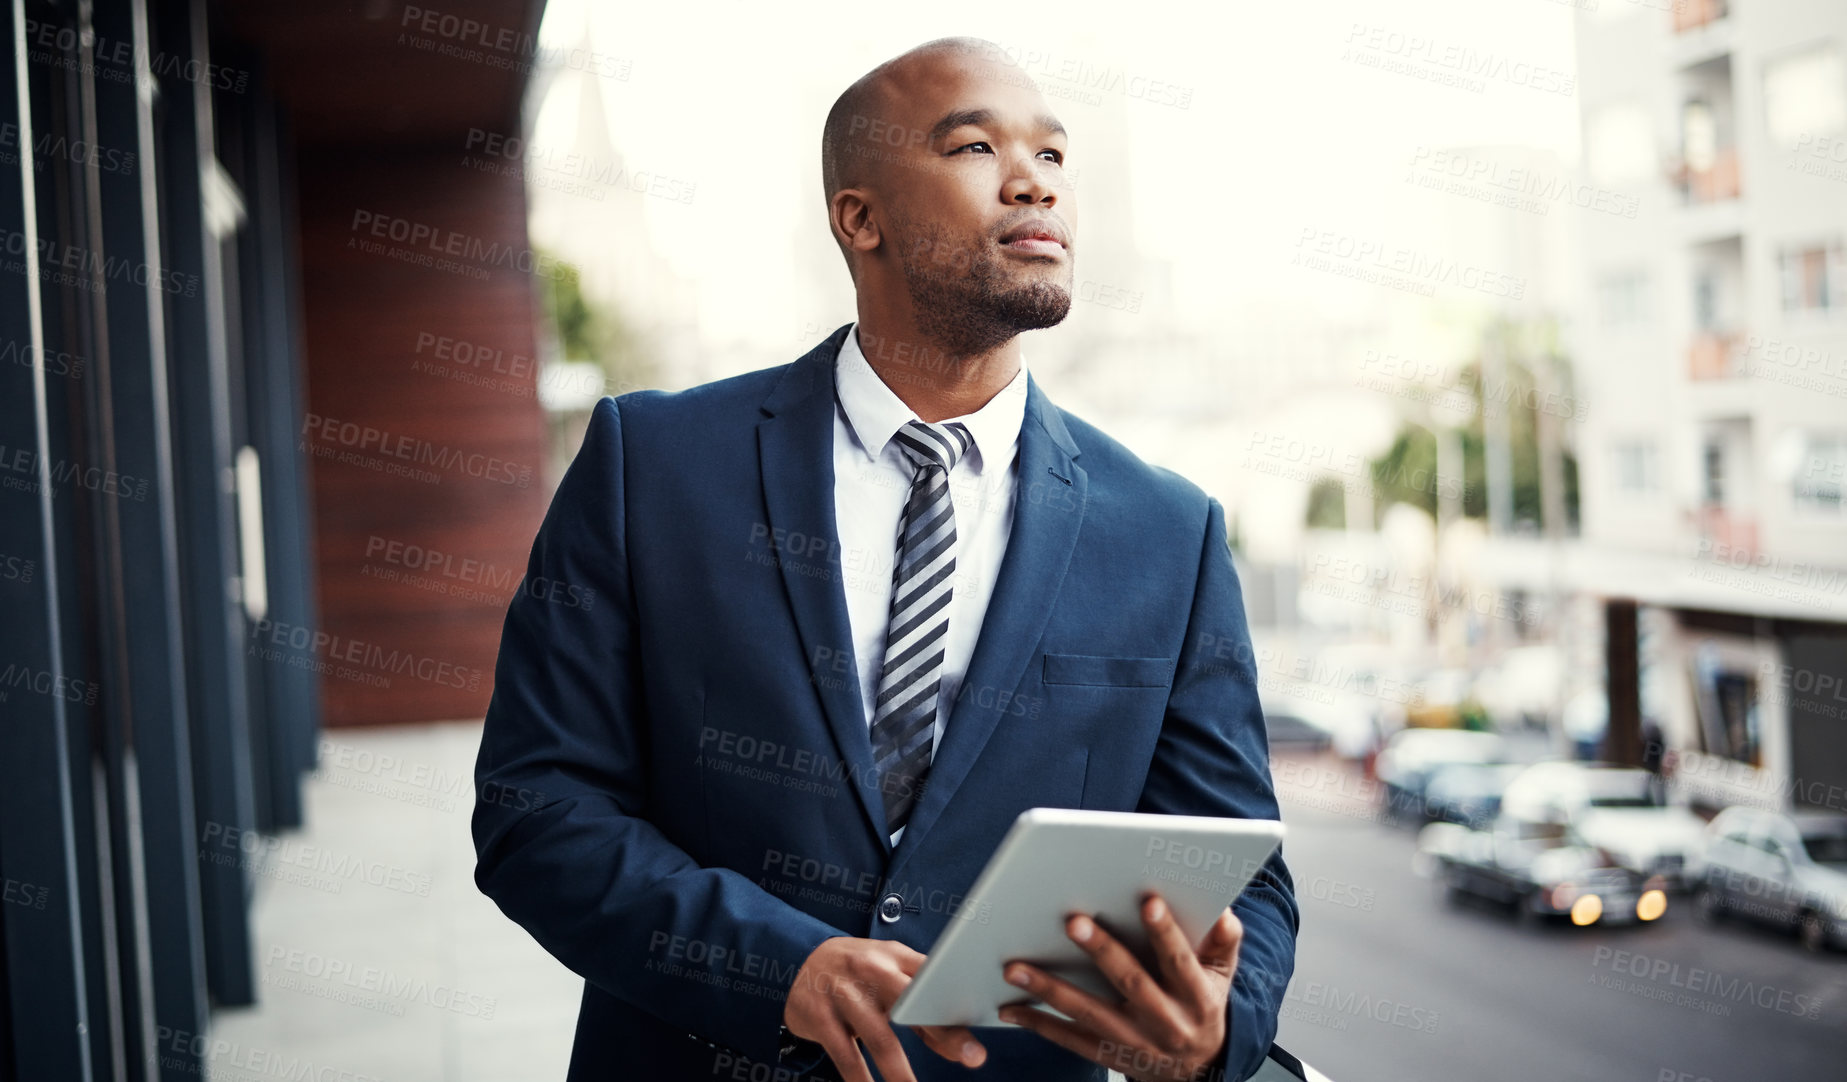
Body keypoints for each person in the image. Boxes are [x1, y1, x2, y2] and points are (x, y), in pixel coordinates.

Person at [471, 36, 1297, 1082]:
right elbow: (536, 811)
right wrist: (777, 968)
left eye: (1052, 154)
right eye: (973, 146)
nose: (1032, 179)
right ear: (858, 217)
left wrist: (1220, 1031)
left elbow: (1242, 872)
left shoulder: (1167, 532)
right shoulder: (653, 467)